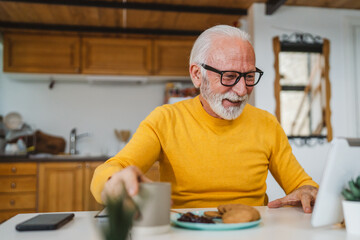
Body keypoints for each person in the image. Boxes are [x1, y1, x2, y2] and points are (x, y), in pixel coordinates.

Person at [91, 25, 318, 213]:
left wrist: (308, 191)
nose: (242, 90)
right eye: (229, 76)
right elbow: (108, 171)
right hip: (184, 230)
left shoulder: (267, 123)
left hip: (252, 230)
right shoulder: (165, 119)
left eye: (249, 76)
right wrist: (115, 183)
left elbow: (301, 184)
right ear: (197, 75)